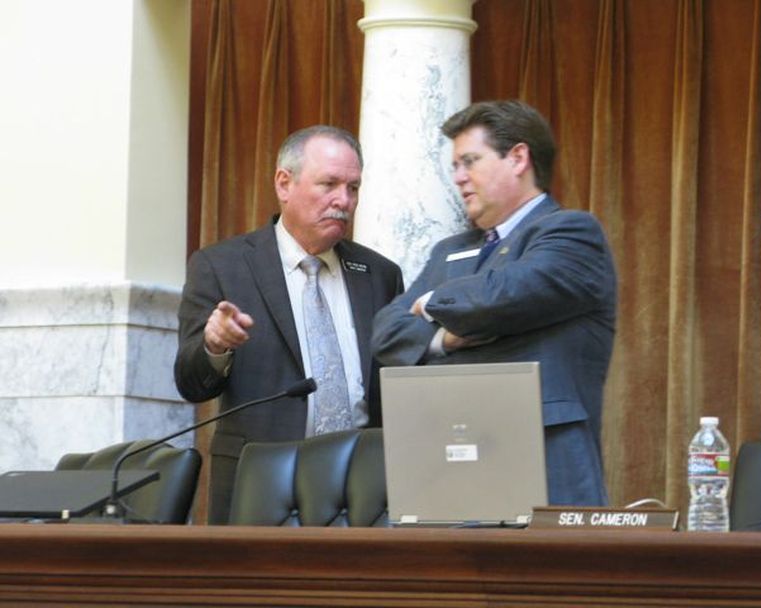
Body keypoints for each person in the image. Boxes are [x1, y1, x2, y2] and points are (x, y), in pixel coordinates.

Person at [371, 100, 616, 506]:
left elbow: (505, 296)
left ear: (518, 157)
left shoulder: (572, 232)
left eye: (470, 161)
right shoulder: (449, 251)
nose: (459, 178)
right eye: (455, 166)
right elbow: (386, 330)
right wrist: (444, 341)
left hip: (545, 463)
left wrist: (433, 302)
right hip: (445, 465)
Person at [175, 125, 403, 523]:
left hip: (364, 490)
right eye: (329, 184)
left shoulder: (379, 274)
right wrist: (215, 346)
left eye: (353, 187)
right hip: (262, 487)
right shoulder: (222, 266)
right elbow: (193, 384)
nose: (343, 201)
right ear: (284, 183)